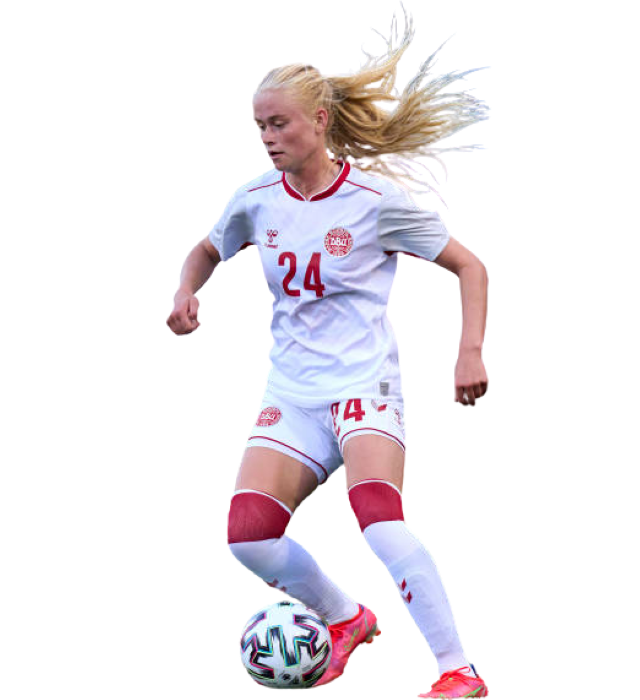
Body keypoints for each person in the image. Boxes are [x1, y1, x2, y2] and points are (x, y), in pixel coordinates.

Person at [167, 2, 490, 697]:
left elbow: (470, 265)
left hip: (364, 386)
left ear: (319, 121)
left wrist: (469, 351)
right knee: (248, 535)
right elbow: (206, 249)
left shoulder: (374, 202)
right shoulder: (256, 199)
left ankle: (458, 669)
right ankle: (346, 619)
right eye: (259, 125)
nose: (267, 137)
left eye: (279, 123)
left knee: (378, 519)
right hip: (293, 391)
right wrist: (186, 291)